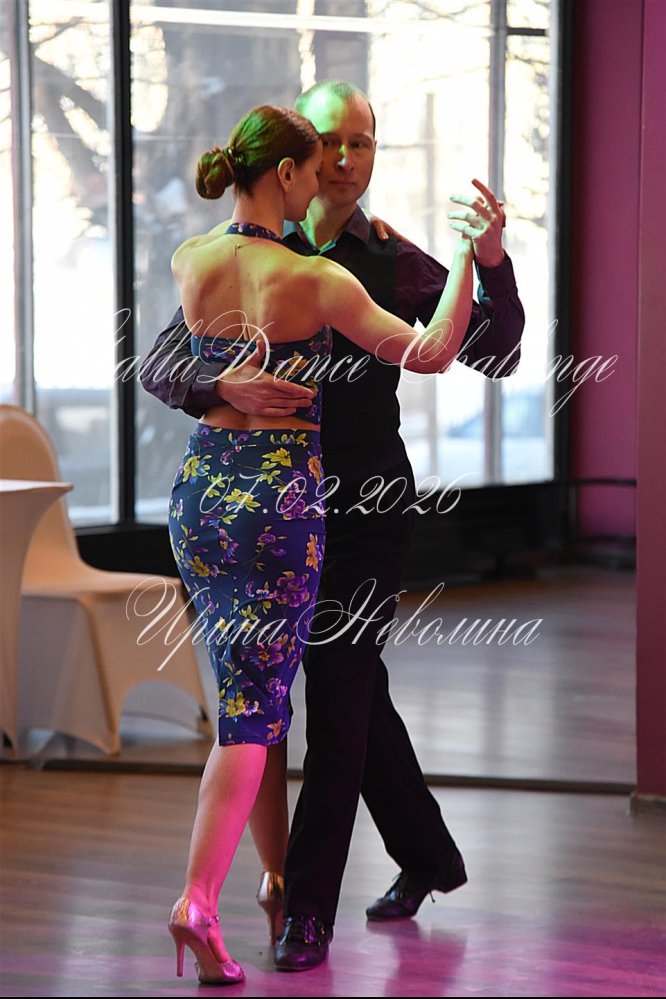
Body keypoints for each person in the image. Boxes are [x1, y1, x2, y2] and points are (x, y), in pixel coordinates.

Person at [140, 80, 525, 973]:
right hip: (276, 507)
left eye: (362, 142)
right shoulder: (275, 261)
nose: (345, 161)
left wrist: (487, 258)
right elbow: (163, 363)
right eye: (329, 144)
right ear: (295, 164)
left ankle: (303, 908)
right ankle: (392, 862)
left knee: (337, 688)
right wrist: (220, 384)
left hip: (357, 511)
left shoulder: (383, 258)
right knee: (319, 699)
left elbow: (495, 351)